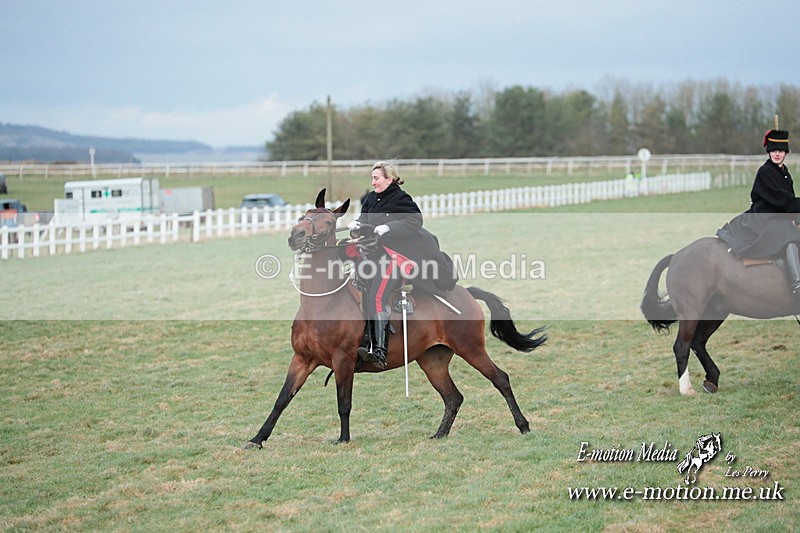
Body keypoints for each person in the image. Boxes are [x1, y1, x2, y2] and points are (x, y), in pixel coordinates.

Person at [347, 161, 457, 367]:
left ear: (389, 179)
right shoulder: (371, 198)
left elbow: (415, 221)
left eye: (376, 178)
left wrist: (388, 228)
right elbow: (365, 220)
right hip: (373, 255)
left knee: (377, 295)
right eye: (372, 178)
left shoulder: (401, 198)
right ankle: (364, 336)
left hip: (397, 257)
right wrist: (358, 225)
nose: (373, 182)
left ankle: (379, 351)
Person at [716, 128, 800, 303]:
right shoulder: (765, 172)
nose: (777, 154)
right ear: (769, 152)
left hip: (778, 216)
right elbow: (783, 201)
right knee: (790, 237)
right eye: (773, 150)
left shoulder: (785, 173)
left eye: (780, 150)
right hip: (764, 218)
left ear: (786, 152)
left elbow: (790, 204)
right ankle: (797, 285)